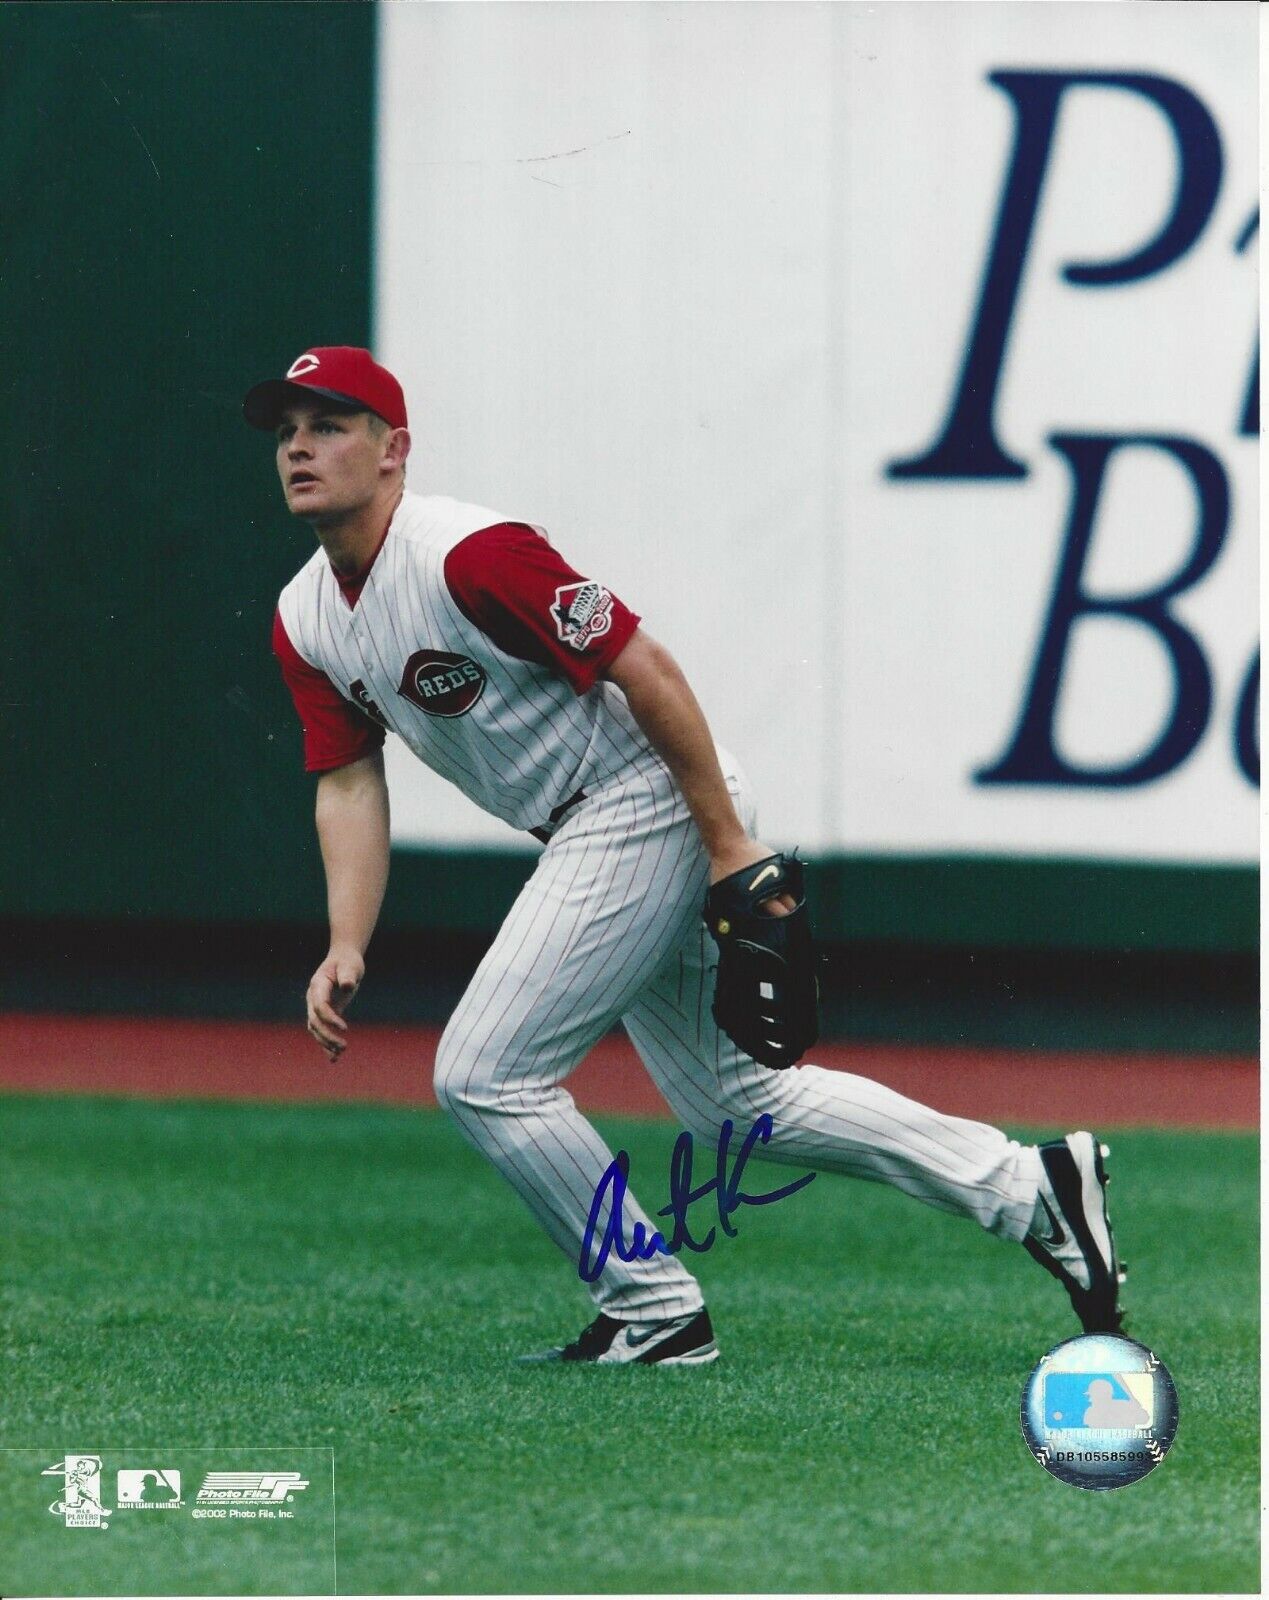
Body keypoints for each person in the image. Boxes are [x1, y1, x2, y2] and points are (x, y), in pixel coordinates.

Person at [245, 346, 1125, 1365]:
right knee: (743, 1103)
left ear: (394, 450)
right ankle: (1030, 1184)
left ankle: (654, 1307)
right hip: (591, 823)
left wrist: (728, 843)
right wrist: (346, 939)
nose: (302, 446)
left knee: (487, 1073)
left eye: (332, 423)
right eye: (286, 429)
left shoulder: (470, 555)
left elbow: (643, 665)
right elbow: (350, 777)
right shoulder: (304, 616)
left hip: (642, 800)